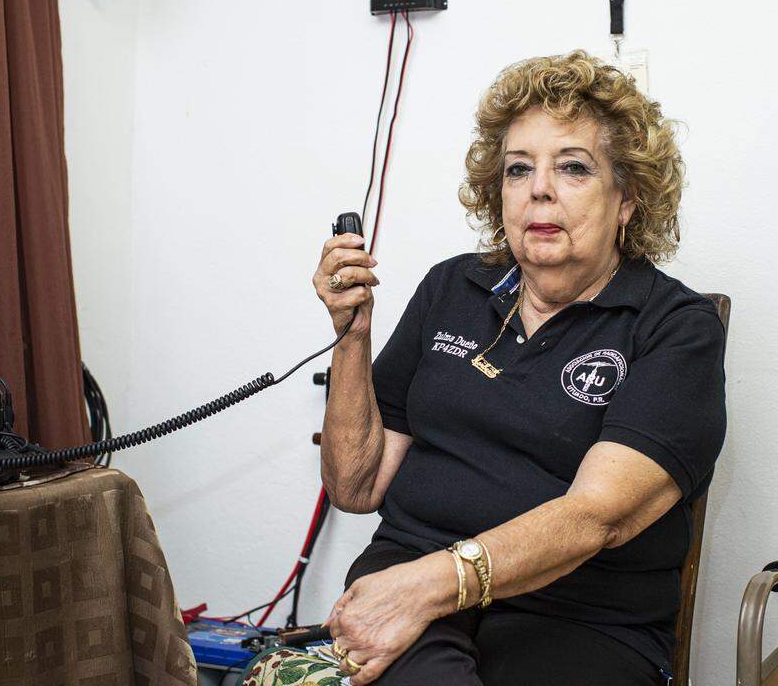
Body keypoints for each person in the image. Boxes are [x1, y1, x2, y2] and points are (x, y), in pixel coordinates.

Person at [311, 50, 726, 686]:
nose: (539, 188)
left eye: (574, 168)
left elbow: (597, 517)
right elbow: (355, 488)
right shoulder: (452, 288)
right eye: (518, 169)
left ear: (627, 199)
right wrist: (351, 336)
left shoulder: (674, 326)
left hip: (583, 615)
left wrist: (430, 586)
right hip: (410, 564)